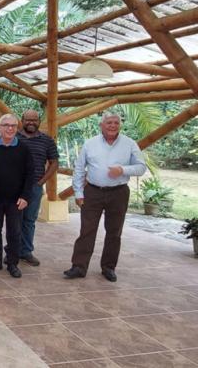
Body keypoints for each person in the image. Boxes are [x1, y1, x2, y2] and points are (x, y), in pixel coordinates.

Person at [64, 112, 147, 282]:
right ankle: (79, 266)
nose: (112, 125)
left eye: (116, 122)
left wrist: (123, 170)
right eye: (109, 122)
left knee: (114, 232)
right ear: (101, 125)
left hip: (118, 193)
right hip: (93, 192)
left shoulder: (129, 144)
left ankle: (108, 267)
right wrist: (78, 193)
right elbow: (79, 169)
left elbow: (141, 167)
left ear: (120, 125)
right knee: (86, 230)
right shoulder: (90, 144)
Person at [0, 114, 34, 278]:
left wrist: (25, 197)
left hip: (16, 200)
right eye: (6, 125)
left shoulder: (24, 148)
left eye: (13, 126)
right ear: (0, 127)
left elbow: (30, 174)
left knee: (14, 233)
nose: (10, 128)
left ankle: (12, 263)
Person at [17, 109, 58, 266]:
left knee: (29, 219)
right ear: (22, 120)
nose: (31, 123)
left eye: (34, 120)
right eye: (28, 120)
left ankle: (26, 251)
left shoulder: (46, 140)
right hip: (15, 187)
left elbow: (54, 162)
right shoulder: (14, 137)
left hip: (34, 187)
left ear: (39, 121)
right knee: (15, 220)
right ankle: (13, 250)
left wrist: (41, 182)